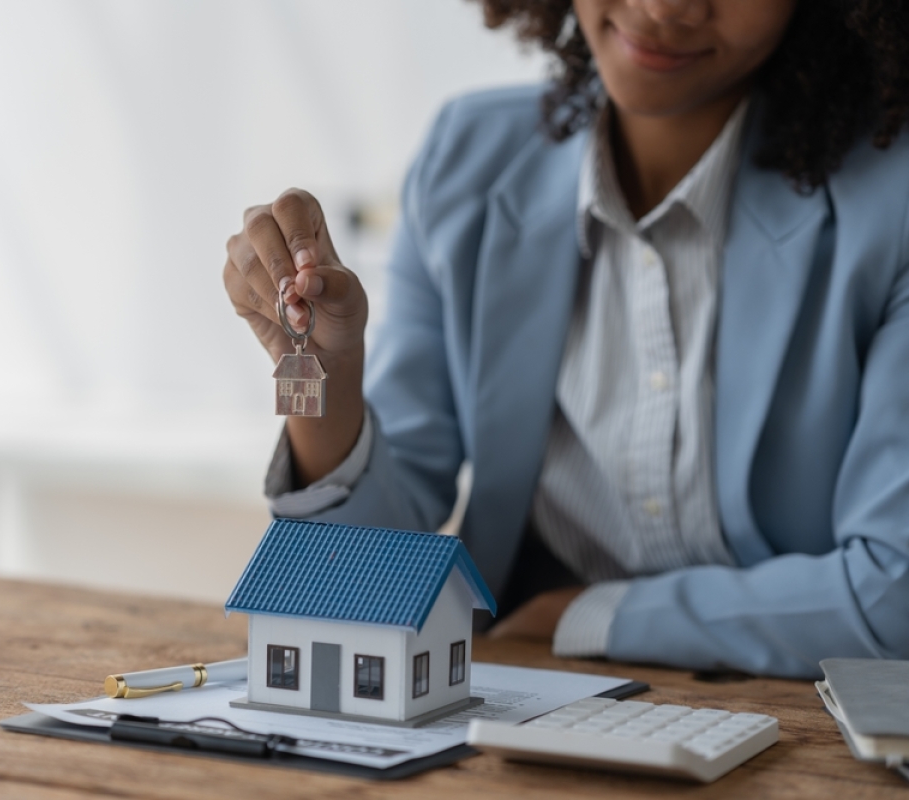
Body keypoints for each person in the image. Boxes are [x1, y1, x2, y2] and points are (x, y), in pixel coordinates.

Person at [221, 0, 909, 679]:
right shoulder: (468, 161)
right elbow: (359, 582)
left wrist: (590, 616)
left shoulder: (892, 201)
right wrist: (329, 383)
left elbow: (894, 595)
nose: (665, 6)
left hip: (804, 726)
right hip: (525, 707)